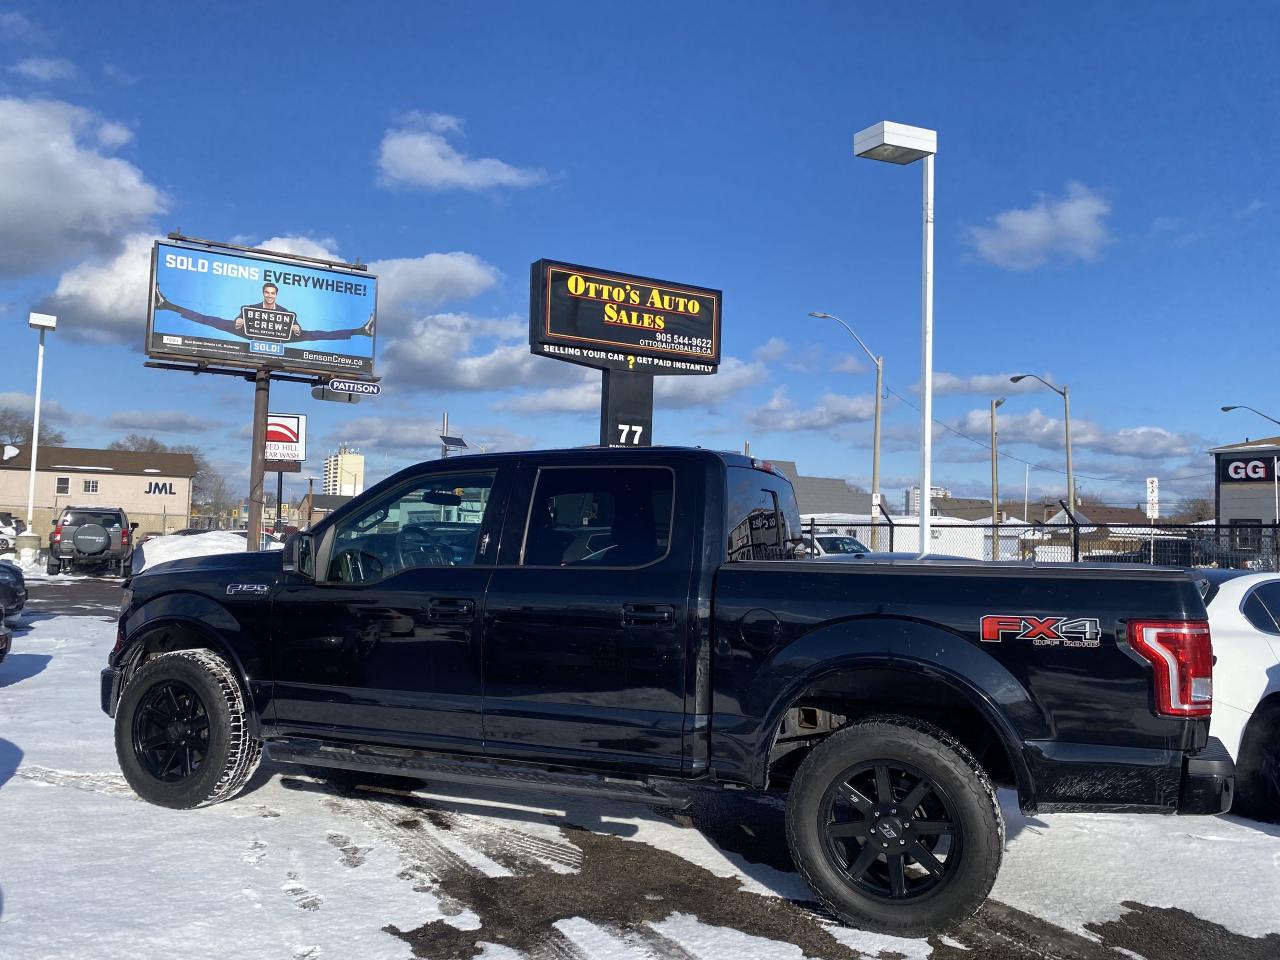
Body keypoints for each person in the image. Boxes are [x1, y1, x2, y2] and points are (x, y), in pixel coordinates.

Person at [154, 282, 374, 342]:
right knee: (210, 320)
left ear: (276, 295)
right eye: (267, 293)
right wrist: (239, 322)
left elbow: (296, 328)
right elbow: (241, 318)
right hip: (248, 334)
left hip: (281, 341)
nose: (270, 296)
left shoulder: (287, 312)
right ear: (263, 293)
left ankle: (362, 331)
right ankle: (166, 305)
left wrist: (296, 329)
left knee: (317, 334)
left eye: (273, 293)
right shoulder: (251, 309)